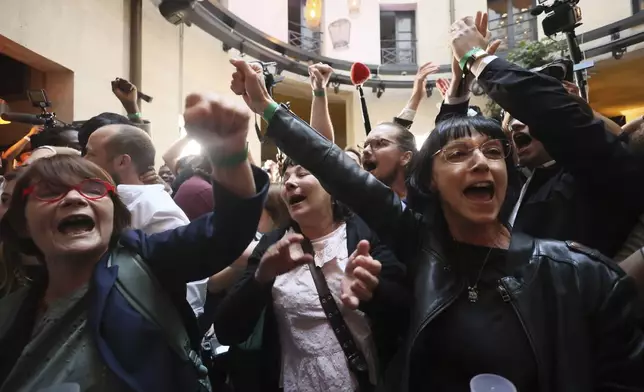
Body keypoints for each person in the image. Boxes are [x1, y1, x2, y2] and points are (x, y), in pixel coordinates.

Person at [227, 15, 644, 391]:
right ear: (430, 180)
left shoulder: (581, 275)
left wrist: (478, 60)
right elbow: (340, 170)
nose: (481, 161)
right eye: (460, 155)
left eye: (493, 152)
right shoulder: (420, 244)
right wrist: (266, 107)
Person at [0, 93, 268, 392]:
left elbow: (225, 231)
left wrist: (228, 152)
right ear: (22, 222)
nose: (75, 198)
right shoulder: (12, 309)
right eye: (51, 192)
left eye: (93, 188)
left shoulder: (146, 260)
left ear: (114, 212)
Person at [215, 158, 408, 392]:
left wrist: (371, 290)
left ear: (330, 186)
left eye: (302, 173)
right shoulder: (274, 244)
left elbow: (405, 311)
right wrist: (260, 279)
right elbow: (227, 330)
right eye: (285, 178)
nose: (289, 183)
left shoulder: (365, 232)